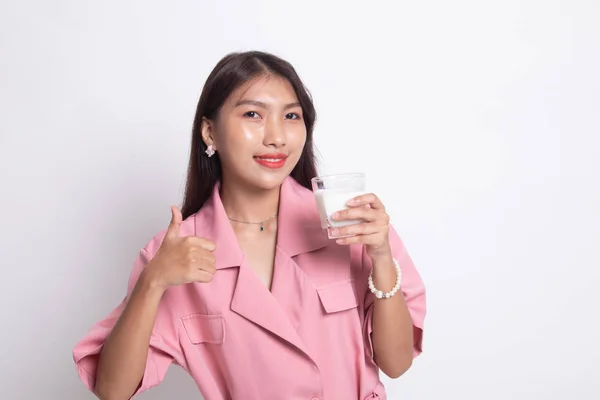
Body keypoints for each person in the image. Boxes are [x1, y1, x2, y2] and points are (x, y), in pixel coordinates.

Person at [72, 50, 426, 400]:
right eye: (253, 114)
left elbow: (396, 363)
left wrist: (381, 257)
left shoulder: (350, 225)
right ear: (210, 132)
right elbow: (113, 390)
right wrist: (151, 283)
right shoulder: (177, 252)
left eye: (291, 116)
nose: (276, 136)